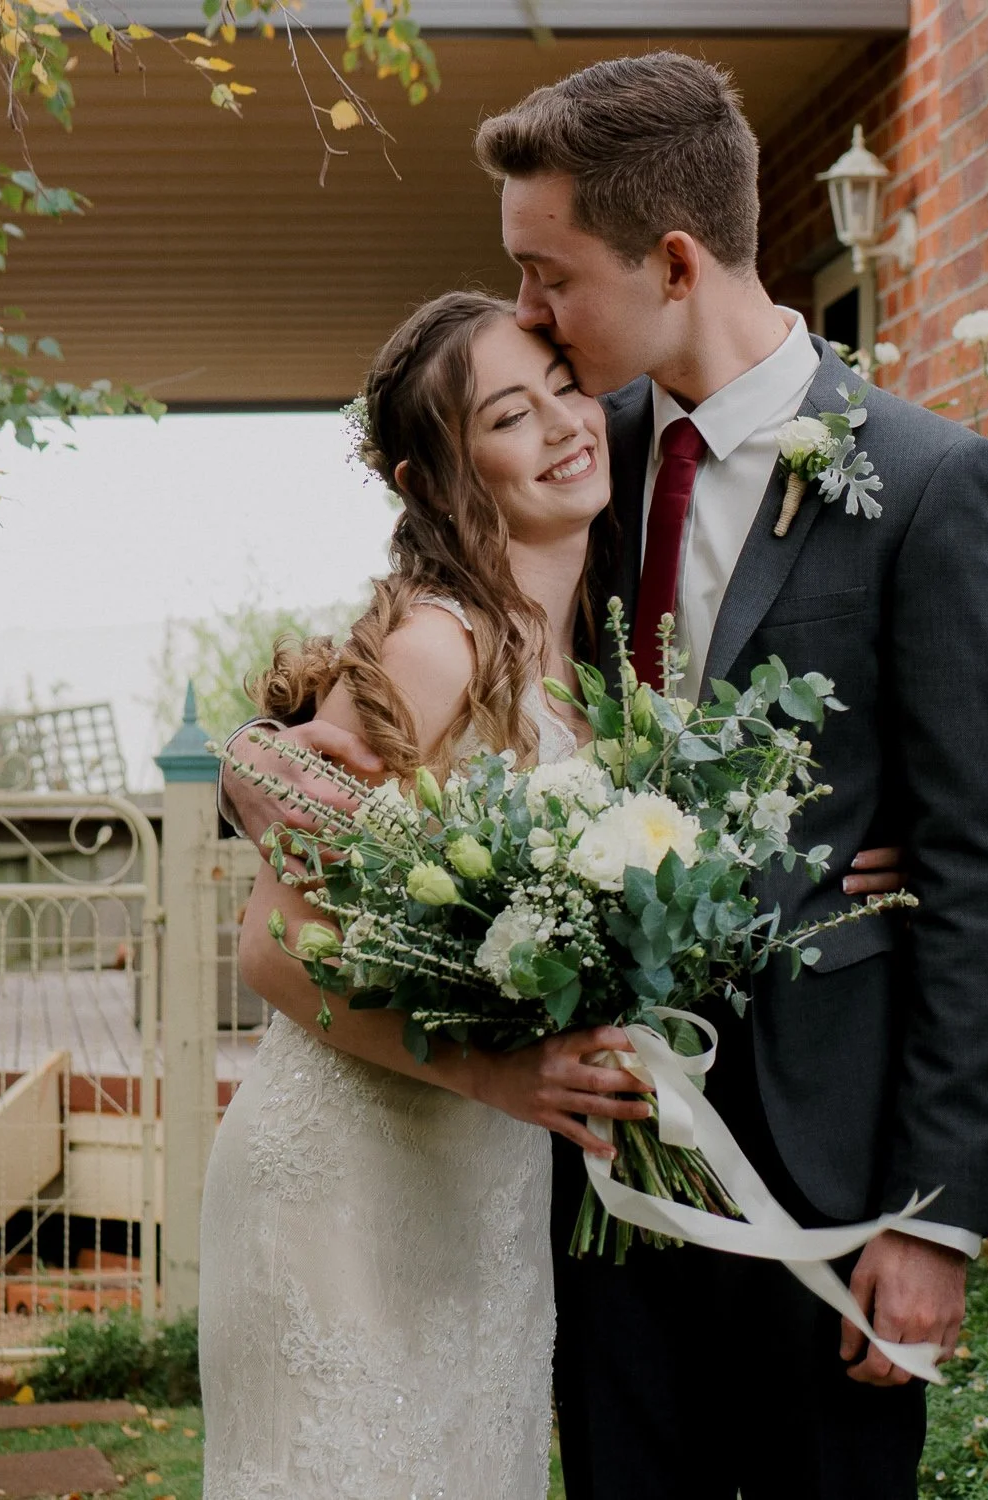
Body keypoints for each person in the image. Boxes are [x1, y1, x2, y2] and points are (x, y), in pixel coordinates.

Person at [222, 52, 988, 1500]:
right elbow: (413, 682)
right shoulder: (571, 453)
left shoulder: (921, 482)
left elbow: (982, 873)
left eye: (546, 276)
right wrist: (267, 769)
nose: (527, 317)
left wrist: (933, 1216)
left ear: (670, 260)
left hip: (824, 1189)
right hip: (583, 1189)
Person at [198, 290, 656, 1500]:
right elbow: (273, 945)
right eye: (513, 414)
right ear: (438, 479)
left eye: (565, 384)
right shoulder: (434, 647)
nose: (567, 423)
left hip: (481, 1193)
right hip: (349, 1175)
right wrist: (492, 1074)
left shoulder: (584, 661)